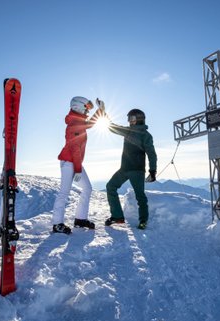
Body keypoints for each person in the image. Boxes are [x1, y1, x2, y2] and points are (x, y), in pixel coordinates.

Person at [52, 96, 103, 234]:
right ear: (78, 107)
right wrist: (78, 169)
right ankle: (57, 224)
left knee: (87, 188)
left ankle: (80, 219)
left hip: (75, 162)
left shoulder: (78, 121)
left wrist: (100, 110)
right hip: (69, 162)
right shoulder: (73, 124)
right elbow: (74, 148)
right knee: (64, 192)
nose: (87, 111)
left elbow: (90, 124)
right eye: (86, 108)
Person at [105, 108, 157, 230]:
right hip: (124, 169)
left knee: (140, 196)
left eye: (132, 118)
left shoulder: (145, 135)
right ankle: (117, 217)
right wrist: (103, 112)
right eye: (129, 119)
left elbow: (151, 153)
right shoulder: (127, 131)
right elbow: (112, 127)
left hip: (137, 170)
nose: (130, 121)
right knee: (110, 186)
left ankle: (143, 221)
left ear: (139, 119)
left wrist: (152, 171)